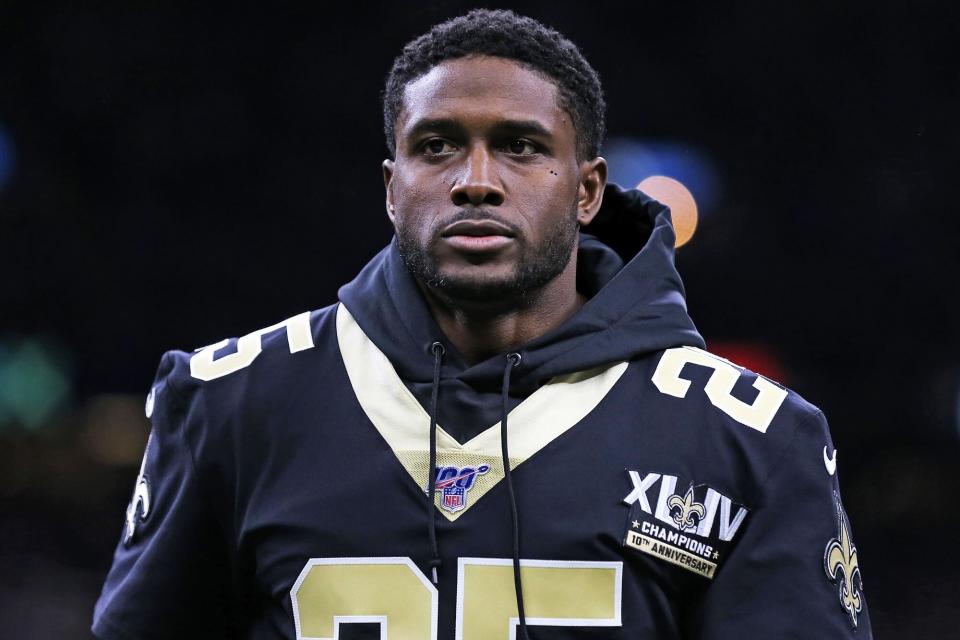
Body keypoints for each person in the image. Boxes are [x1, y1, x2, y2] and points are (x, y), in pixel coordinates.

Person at [93, 9, 872, 639]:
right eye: (437, 147)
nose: (475, 182)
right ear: (393, 187)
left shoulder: (752, 440)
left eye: (521, 147)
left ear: (588, 190)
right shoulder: (233, 403)